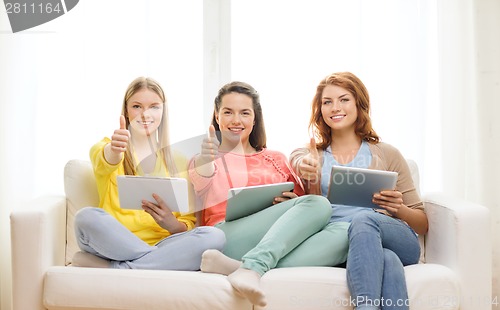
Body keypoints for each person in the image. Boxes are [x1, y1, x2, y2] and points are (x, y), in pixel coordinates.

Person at [188, 81, 349, 307]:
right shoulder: (205, 159)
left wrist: (294, 200)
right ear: (217, 115)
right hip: (225, 236)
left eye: (244, 113)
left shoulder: (276, 158)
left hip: (271, 241)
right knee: (320, 204)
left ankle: (241, 266)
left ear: (255, 118)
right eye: (228, 112)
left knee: (345, 232)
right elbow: (202, 173)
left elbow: (304, 207)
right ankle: (252, 265)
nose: (236, 120)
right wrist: (207, 157)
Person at [290, 72, 428, 310]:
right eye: (327, 102)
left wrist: (399, 209)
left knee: (365, 219)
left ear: (359, 104)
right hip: (344, 245)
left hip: (394, 237)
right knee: (388, 260)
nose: (335, 107)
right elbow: (297, 159)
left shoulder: (387, 153)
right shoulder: (314, 154)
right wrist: (306, 169)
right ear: (319, 109)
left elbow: (422, 223)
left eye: (344, 99)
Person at [72, 76, 225, 270]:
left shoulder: (179, 160)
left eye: (154, 106)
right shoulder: (106, 147)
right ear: (126, 111)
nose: (145, 114)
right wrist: (116, 149)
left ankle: (120, 267)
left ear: (163, 111)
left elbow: (187, 223)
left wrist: (171, 224)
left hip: (163, 244)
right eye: (136, 106)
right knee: (86, 217)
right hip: (113, 242)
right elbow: (108, 159)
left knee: (214, 236)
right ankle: (152, 263)